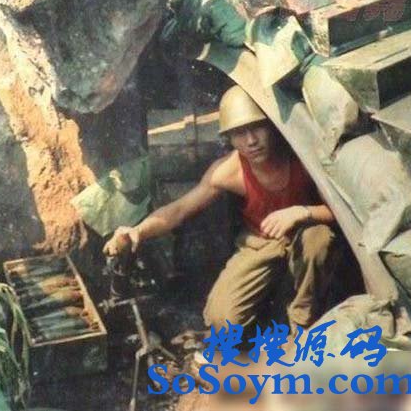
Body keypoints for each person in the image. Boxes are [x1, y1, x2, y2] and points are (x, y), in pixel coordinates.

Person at [104, 85, 339, 333]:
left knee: (318, 238)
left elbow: (346, 211)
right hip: (261, 242)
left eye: (257, 128)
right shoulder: (229, 170)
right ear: (229, 138)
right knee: (223, 322)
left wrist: (302, 212)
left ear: (271, 126)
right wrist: (139, 230)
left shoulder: (301, 156)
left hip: (306, 235)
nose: (251, 141)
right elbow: (179, 209)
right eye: (239, 133)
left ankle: (302, 323)